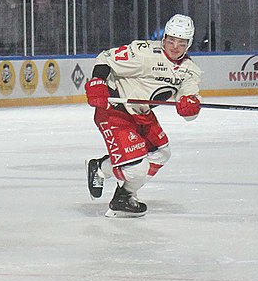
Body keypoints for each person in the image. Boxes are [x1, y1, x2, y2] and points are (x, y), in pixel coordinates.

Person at [83, 13, 202, 218]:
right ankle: (105, 169)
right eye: (171, 40)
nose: (174, 46)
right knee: (136, 170)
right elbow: (105, 59)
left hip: (141, 114)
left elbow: (189, 103)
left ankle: (121, 193)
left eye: (181, 43)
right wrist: (98, 82)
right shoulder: (144, 53)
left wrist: (190, 106)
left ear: (189, 44)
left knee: (161, 153)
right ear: (164, 38)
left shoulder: (189, 71)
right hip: (114, 109)